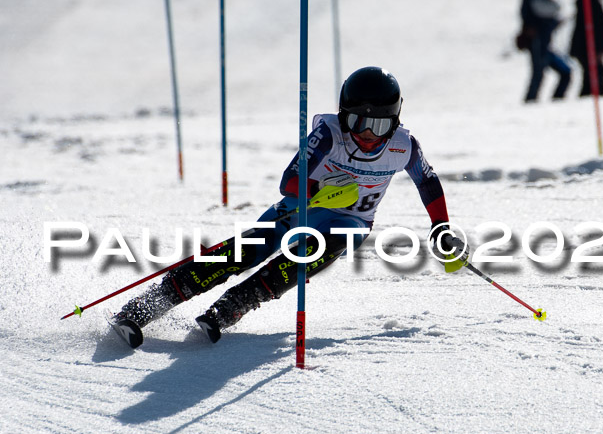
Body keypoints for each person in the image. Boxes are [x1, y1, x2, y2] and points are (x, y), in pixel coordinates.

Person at [111, 66, 469, 348]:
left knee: (310, 253)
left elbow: (428, 183)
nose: (368, 133)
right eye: (359, 121)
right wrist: (318, 190)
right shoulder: (329, 133)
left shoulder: (404, 145)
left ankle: (231, 307)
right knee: (242, 253)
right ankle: (144, 308)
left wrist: (440, 227)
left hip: (351, 223)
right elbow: (289, 181)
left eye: (379, 124)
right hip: (301, 207)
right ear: (344, 114)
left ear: (395, 120)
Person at [517, 0, 571, 102]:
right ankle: (530, 101)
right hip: (537, 40)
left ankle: (556, 101)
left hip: (545, 42)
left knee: (565, 72)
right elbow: (539, 9)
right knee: (538, 72)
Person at [569, 0, 603, 97]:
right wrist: (599, 49)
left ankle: (593, 96)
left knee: (594, 74)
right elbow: (596, 29)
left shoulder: (591, 1)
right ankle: (592, 97)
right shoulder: (588, 2)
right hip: (587, 48)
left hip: (588, 47)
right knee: (594, 75)